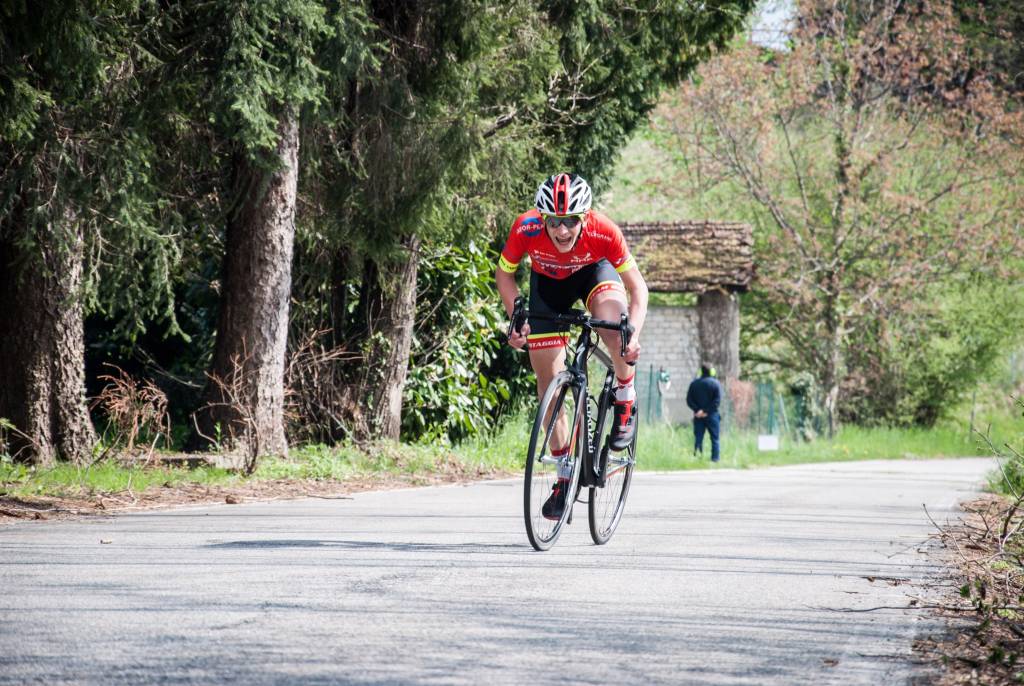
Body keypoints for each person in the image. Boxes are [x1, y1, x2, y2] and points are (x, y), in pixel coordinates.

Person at [496, 172, 649, 519]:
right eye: (554, 221)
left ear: (584, 218)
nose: (561, 230)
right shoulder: (526, 228)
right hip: (548, 287)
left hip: (594, 275)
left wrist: (634, 334)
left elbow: (638, 288)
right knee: (549, 387)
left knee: (616, 329)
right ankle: (565, 479)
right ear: (542, 218)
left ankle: (625, 396)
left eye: (570, 222)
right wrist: (516, 317)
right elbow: (504, 275)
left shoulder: (603, 231)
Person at [686, 363, 722, 462]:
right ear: (712, 372)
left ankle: (697, 457)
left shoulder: (694, 384)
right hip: (712, 415)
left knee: (698, 438)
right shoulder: (716, 383)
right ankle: (715, 459)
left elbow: (689, 400)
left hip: (698, 416)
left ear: (700, 372)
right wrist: (706, 411)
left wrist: (698, 411)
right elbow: (717, 401)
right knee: (715, 439)